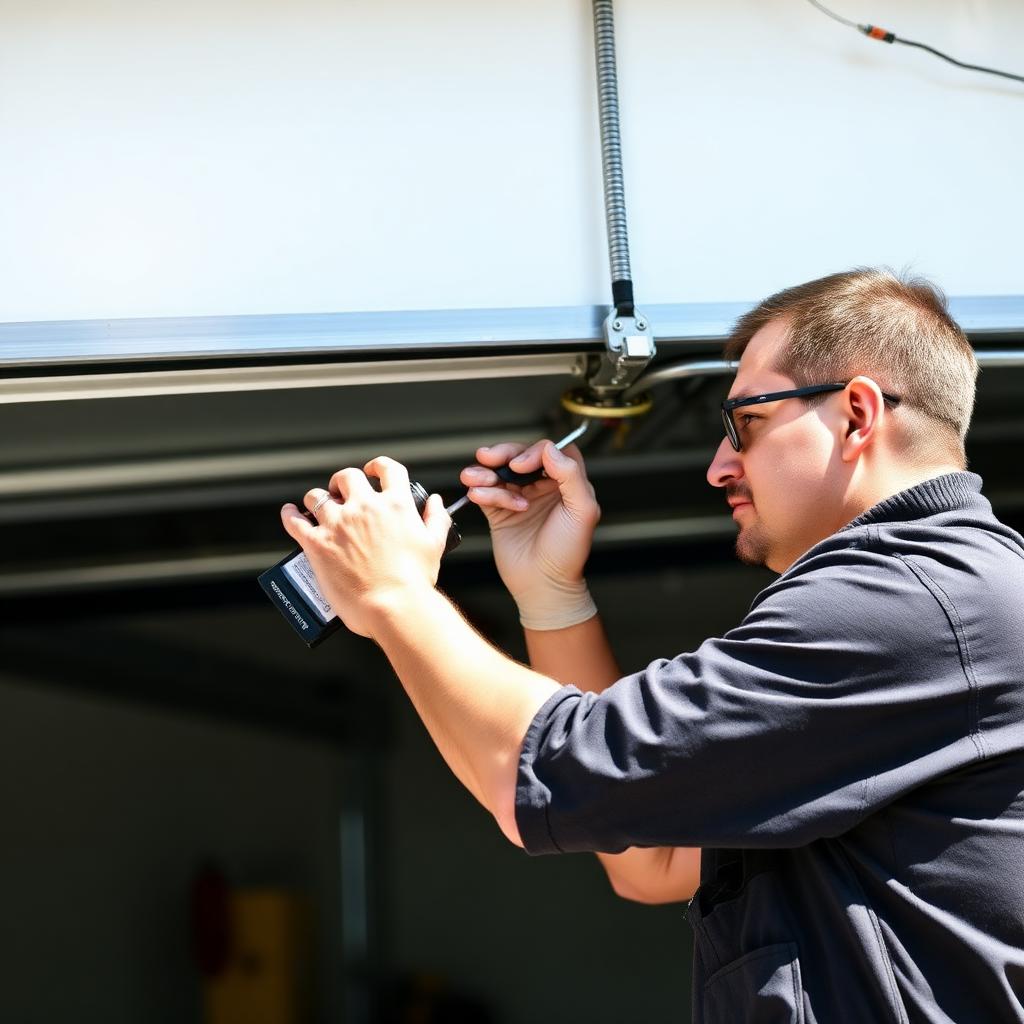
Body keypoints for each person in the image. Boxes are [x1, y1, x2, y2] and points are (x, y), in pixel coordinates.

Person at [280, 268, 1024, 1023]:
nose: (718, 466)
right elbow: (651, 858)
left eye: (746, 422)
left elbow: (551, 774)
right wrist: (550, 595)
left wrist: (393, 593)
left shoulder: (913, 599)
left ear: (857, 414)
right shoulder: (938, 598)